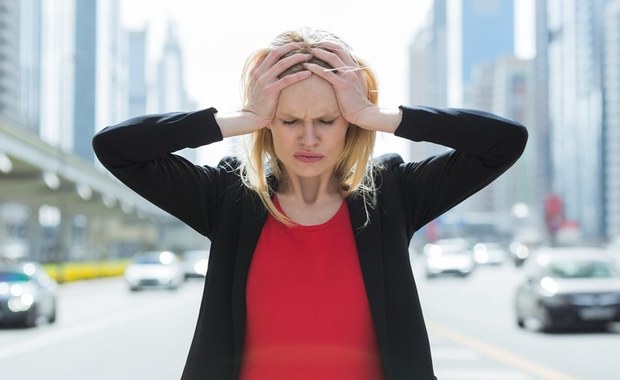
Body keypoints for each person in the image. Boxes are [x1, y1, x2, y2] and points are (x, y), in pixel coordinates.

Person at [92, 28, 527, 380]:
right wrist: (240, 119)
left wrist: (380, 116)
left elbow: (504, 142)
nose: (309, 137)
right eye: (289, 120)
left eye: (326, 119)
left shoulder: (393, 193)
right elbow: (117, 148)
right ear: (268, 125)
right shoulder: (230, 198)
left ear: (350, 123)